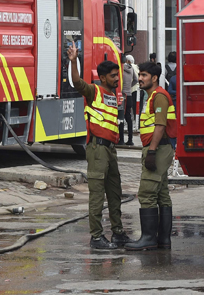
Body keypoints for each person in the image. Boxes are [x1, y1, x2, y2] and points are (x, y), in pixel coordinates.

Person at [67, 42, 131, 249]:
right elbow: (77, 82)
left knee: (115, 192)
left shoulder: (112, 96)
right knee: (97, 194)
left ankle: (118, 233)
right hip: (97, 150)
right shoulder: (94, 91)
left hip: (110, 150)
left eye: (117, 75)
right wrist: (74, 60)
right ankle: (96, 237)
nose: (116, 79)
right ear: (103, 78)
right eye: (113, 75)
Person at [125, 62, 177, 251]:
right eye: (140, 75)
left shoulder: (159, 97)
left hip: (158, 148)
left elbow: (160, 126)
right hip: (160, 148)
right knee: (162, 194)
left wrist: (152, 151)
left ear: (154, 78)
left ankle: (148, 238)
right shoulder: (153, 96)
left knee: (147, 192)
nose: (140, 79)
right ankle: (163, 240)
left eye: (144, 75)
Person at [119, 54, 138, 146]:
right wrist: (129, 87)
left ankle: (121, 139)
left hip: (122, 95)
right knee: (128, 117)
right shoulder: (131, 68)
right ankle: (130, 139)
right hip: (129, 95)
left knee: (121, 117)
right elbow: (136, 80)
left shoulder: (121, 69)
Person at [128, 55, 140, 134]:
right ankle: (138, 124)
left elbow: (134, 79)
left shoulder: (129, 67)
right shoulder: (137, 67)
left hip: (133, 90)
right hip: (140, 90)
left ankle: (135, 125)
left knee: (132, 109)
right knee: (139, 108)